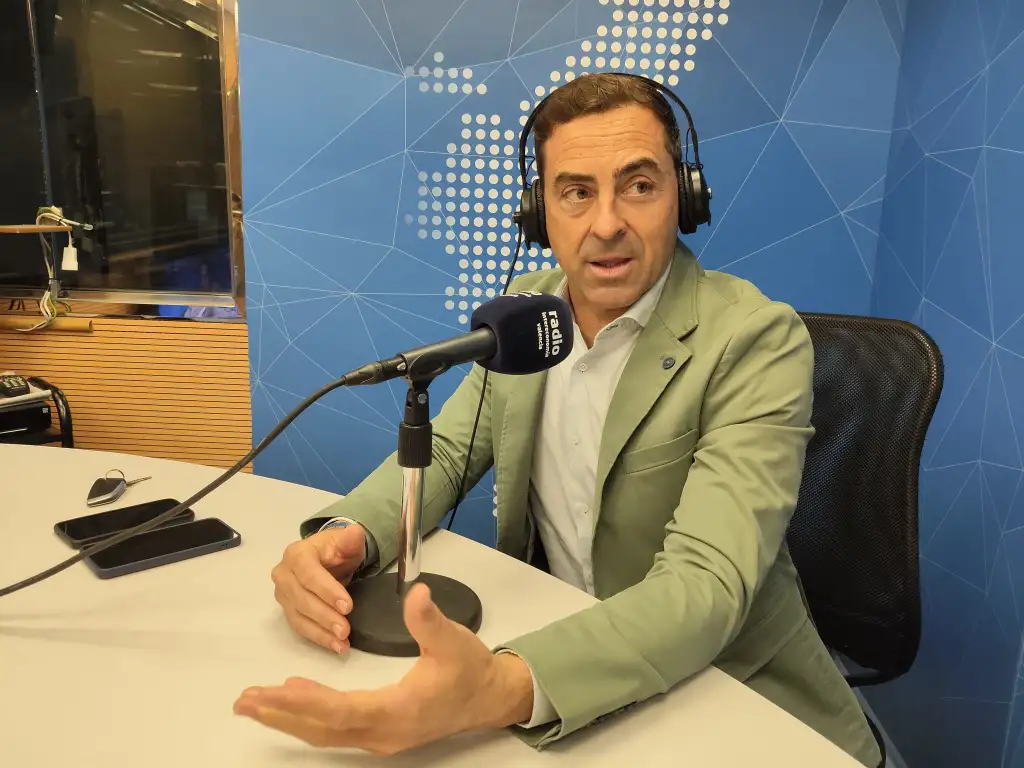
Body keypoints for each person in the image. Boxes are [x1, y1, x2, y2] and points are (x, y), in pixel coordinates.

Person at [234, 73, 881, 767]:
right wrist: (347, 537)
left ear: (684, 196)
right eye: (576, 192)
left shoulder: (754, 340)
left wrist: (499, 687)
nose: (606, 224)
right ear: (538, 212)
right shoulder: (525, 315)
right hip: (577, 667)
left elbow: (707, 583)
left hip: (730, 698)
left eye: (639, 185)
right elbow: (448, 451)